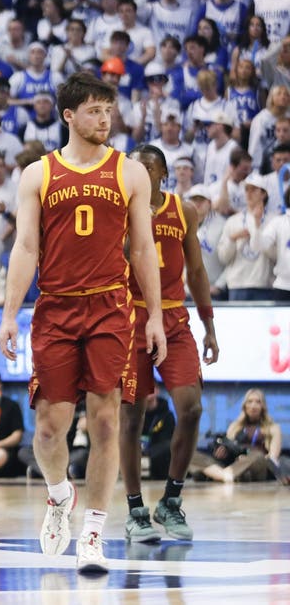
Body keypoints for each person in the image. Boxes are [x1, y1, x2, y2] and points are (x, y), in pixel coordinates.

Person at [0, 72, 167, 574]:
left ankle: (93, 531)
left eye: (109, 111)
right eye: (95, 111)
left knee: (107, 419)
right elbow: (26, 247)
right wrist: (9, 314)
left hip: (111, 307)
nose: (104, 119)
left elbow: (141, 249)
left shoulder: (131, 172)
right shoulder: (38, 174)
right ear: (68, 116)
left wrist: (155, 314)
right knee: (50, 430)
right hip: (55, 307)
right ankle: (58, 495)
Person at [120, 145, 219, 545]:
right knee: (132, 417)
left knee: (191, 408)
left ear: (162, 172)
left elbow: (196, 270)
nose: (140, 172)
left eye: (148, 166)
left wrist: (210, 325)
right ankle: (135, 509)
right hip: (132, 318)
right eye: (135, 167)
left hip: (175, 317)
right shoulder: (121, 211)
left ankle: (171, 500)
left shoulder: (184, 211)